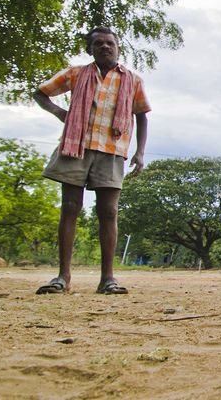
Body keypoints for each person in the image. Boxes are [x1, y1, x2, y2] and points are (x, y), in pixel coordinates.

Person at [33, 27, 150, 295]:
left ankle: (107, 278)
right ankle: (63, 277)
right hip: (76, 146)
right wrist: (61, 113)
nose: (105, 47)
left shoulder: (133, 80)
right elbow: (41, 93)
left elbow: (142, 116)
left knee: (109, 212)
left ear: (119, 48)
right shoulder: (76, 74)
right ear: (90, 49)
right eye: (98, 43)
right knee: (70, 207)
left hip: (112, 148)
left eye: (110, 43)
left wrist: (140, 152)